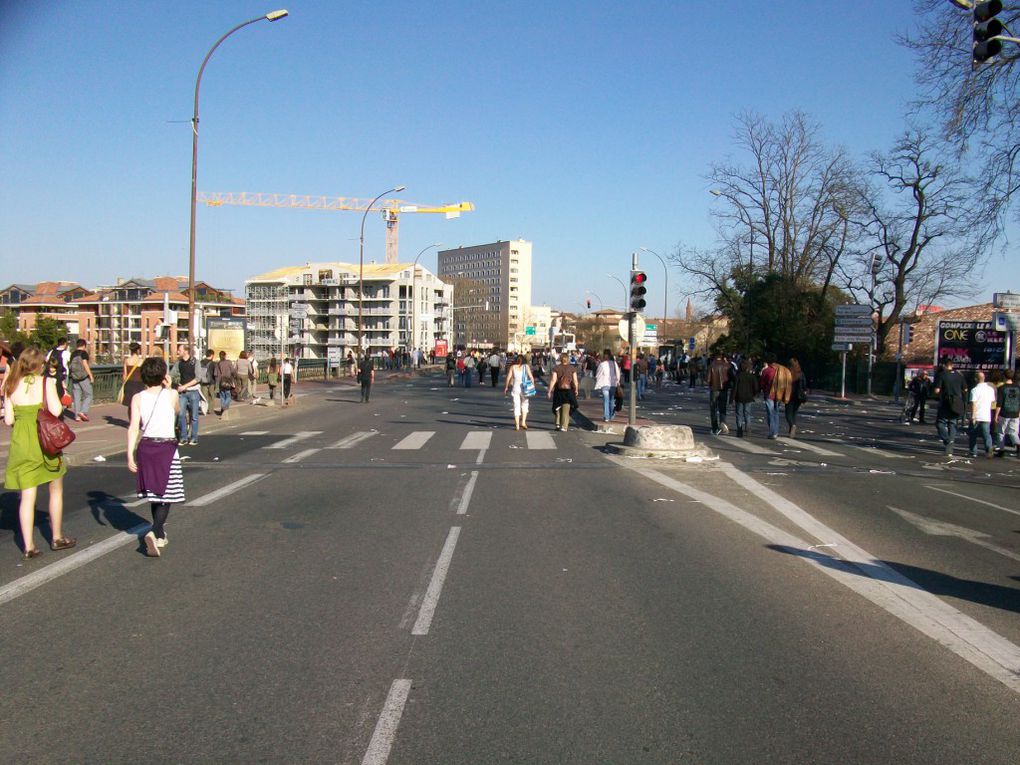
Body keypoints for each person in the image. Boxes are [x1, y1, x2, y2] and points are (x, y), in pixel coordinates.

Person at [3, 347, 77, 559]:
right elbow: (55, 411)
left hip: (22, 444)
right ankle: (56, 537)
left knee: (27, 497)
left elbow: (8, 420)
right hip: (45, 442)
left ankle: (29, 546)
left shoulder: (10, 384)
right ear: (40, 365)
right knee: (55, 489)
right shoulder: (47, 382)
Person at [127, 357, 185, 557]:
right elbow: (178, 412)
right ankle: (155, 530)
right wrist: (169, 387)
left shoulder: (137, 397)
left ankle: (159, 534)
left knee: (154, 493)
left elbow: (134, 427)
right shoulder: (171, 394)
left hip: (146, 447)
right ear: (162, 375)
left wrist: (129, 454)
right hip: (166, 447)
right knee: (166, 494)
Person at [933, 357, 968, 457]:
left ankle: (947, 440)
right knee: (952, 423)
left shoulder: (942, 375)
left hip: (945, 401)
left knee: (940, 423)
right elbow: (965, 389)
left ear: (944, 365)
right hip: (957, 401)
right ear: (952, 365)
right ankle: (950, 445)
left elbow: (937, 390)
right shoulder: (959, 375)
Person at [760, 354, 791, 439]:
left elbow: (762, 383)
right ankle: (776, 431)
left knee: (770, 413)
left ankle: (772, 431)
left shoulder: (767, 371)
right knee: (776, 413)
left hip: (769, 394)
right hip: (779, 394)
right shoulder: (782, 370)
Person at [175, 344, 201, 445]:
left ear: (185, 351)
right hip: (182, 393)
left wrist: (185, 386)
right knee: (181, 414)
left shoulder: (195, 362)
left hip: (193, 391)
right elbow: (172, 374)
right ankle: (183, 437)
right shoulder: (179, 363)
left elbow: (198, 378)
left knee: (194, 416)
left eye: (179, 350)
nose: (178, 352)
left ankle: (194, 437)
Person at [967, 370, 996, 459]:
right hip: (986, 415)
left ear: (976, 379)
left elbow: (973, 404)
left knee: (973, 435)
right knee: (986, 434)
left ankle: (973, 452)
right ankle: (989, 449)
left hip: (977, 415)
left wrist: (972, 415)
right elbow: (992, 401)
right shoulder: (990, 389)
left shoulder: (974, 390)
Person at [548, 353, 579, 431]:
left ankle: (557, 423)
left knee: (557, 406)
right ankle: (564, 426)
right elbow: (575, 380)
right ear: (568, 359)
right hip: (569, 390)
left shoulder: (556, 368)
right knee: (566, 407)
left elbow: (553, 380)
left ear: (560, 359)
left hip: (559, 390)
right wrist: (576, 389)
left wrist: (549, 391)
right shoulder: (572, 368)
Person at [503, 353, 535, 430]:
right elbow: (531, 377)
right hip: (525, 388)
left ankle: (517, 425)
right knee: (525, 404)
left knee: (516, 406)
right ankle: (523, 422)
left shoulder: (513, 367)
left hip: (516, 388)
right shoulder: (526, 367)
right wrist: (533, 385)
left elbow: (508, 378)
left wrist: (506, 387)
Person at [995, 370, 1020, 456]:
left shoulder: (1002, 388)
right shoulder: (1018, 388)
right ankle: (1018, 444)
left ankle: (1001, 450)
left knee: (1001, 432)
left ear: (1004, 377)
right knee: (1013, 432)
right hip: (1015, 413)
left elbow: (999, 403)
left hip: (1004, 413)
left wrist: (996, 415)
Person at [68, 338, 94, 422]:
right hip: (83, 377)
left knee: (77, 397)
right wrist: (90, 375)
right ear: (84, 345)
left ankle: (77, 416)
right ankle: (83, 411)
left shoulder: (72, 354)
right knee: (89, 394)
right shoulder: (83, 353)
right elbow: (85, 364)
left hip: (74, 377)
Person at [731, 359, 758, 438]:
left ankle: (739, 430)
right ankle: (748, 427)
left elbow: (734, 388)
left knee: (739, 414)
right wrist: (754, 394)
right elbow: (756, 387)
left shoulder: (738, 376)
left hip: (739, 397)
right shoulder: (752, 377)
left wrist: (732, 398)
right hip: (749, 397)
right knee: (747, 414)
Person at [708, 352, 733, 435]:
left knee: (713, 409)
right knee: (723, 408)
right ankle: (723, 423)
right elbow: (731, 377)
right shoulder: (727, 366)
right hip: (724, 390)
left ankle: (714, 427)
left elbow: (707, 379)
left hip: (714, 389)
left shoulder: (712, 365)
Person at [595, 349, 620, 423]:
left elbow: (598, 374)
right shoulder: (614, 364)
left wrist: (597, 381)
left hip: (605, 384)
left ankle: (606, 416)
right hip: (613, 384)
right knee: (611, 400)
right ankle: (611, 414)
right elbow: (618, 373)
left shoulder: (602, 364)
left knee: (606, 400)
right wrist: (617, 381)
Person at [786, 357, 807, 438]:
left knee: (788, 413)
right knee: (794, 412)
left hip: (790, 394)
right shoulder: (801, 373)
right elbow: (805, 385)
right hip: (799, 395)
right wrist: (804, 391)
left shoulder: (788, 373)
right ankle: (792, 427)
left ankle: (792, 425)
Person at [121, 342, 145, 411]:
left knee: (130, 405)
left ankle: (131, 420)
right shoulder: (142, 361)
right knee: (139, 404)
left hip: (129, 383)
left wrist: (124, 384)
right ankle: (137, 419)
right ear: (138, 350)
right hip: (139, 384)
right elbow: (144, 374)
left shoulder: (127, 360)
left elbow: (124, 375)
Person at [213, 351, 236, 415]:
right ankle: (225, 407)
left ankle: (223, 409)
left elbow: (215, 374)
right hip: (227, 381)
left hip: (220, 382)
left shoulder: (217, 364)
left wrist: (217, 380)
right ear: (225, 356)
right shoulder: (229, 362)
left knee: (222, 396)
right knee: (228, 395)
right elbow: (233, 371)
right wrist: (233, 377)